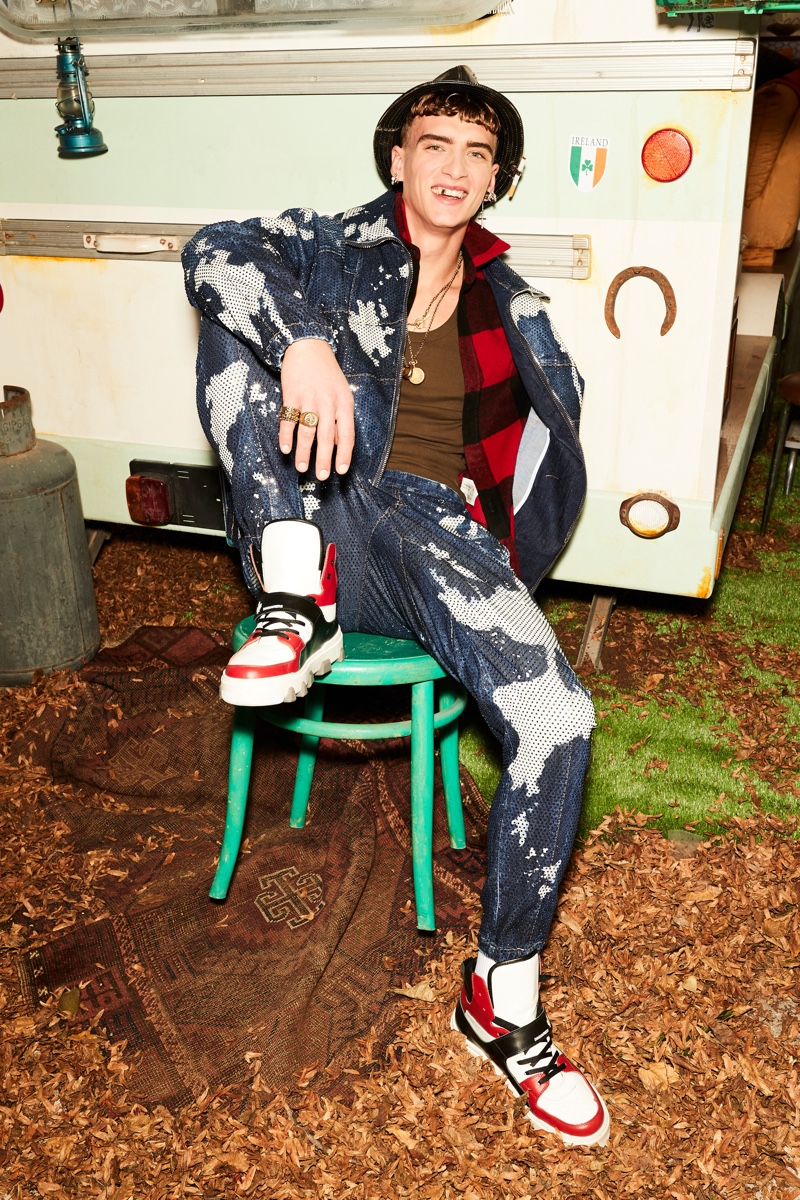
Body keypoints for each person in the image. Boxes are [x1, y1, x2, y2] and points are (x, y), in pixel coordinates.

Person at [182, 66, 609, 1147]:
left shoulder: (513, 302)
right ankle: (293, 598)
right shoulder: (325, 245)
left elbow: (548, 444)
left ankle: (502, 999)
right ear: (397, 159)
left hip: (430, 533)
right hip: (315, 505)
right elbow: (210, 251)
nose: (455, 168)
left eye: (478, 153)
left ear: (496, 179)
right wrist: (303, 343)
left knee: (560, 719)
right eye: (435, 144)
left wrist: (496, 532)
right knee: (236, 315)